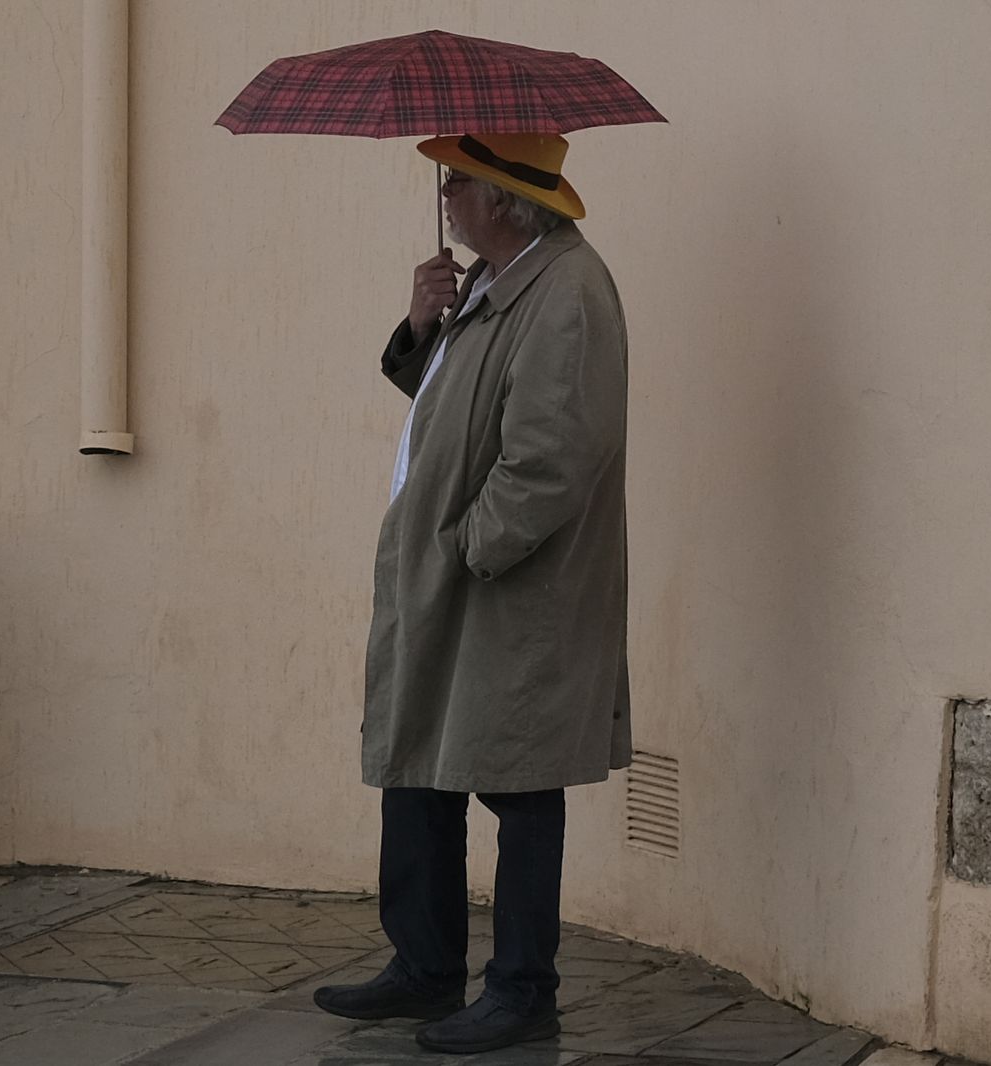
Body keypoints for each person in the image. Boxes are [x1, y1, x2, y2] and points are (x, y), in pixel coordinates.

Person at [313, 131, 633, 1056]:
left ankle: (522, 988)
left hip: (506, 587)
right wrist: (421, 328)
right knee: (419, 763)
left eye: (459, 177)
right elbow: (448, 407)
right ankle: (424, 968)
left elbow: (551, 459)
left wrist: (466, 549)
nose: (446, 191)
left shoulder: (567, 292)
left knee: (517, 777)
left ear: (503, 197)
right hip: (448, 578)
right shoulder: (498, 283)